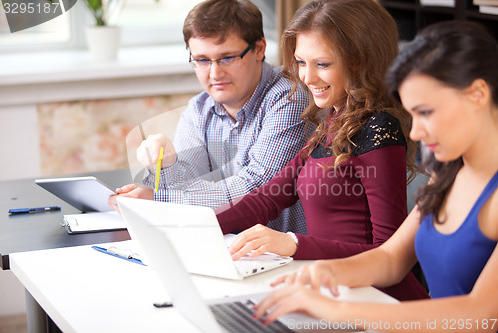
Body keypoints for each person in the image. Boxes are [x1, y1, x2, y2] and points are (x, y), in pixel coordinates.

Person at [254, 21, 498, 330]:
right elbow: (391, 260)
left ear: (477, 94)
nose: (416, 131)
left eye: (426, 112)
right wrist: (329, 273)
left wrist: (337, 311)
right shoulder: (449, 174)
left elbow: (482, 315)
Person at [214, 0, 428, 301]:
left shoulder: (379, 129)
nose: (307, 78)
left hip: (375, 296)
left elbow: (386, 252)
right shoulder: (333, 120)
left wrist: (293, 243)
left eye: (322, 64)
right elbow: (268, 199)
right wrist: (197, 228)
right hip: (333, 286)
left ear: (360, 61)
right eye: (301, 62)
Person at [108, 0, 310, 234]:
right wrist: (168, 163)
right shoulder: (199, 109)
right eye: (202, 60)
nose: (215, 74)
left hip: (288, 254)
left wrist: (159, 198)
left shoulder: (289, 97)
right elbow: (187, 185)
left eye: (227, 58)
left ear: (259, 49)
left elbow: (257, 185)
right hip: (229, 245)